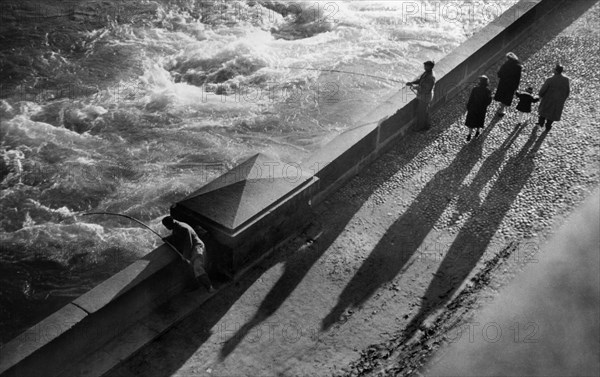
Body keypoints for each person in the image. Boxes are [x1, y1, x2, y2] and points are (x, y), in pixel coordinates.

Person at [162, 216, 214, 292]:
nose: (167, 228)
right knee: (192, 270)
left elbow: (188, 243)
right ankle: (196, 285)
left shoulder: (183, 228)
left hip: (197, 248)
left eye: (167, 226)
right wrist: (167, 239)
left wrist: (185, 256)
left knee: (198, 268)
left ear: (171, 224)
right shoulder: (177, 226)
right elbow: (176, 236)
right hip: (192, 249)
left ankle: (210, 287)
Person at [537, 64, 570, 131]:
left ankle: (541, 123)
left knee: (543, 112)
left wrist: (540, 95)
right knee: (553, 113)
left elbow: (543, 89)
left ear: (556, 71)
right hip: (558, 101)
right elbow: (567, 91)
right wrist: (563, 99)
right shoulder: (566, 80)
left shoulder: (550, 79)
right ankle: (548, 126)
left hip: (548, 99)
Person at [406, 60, 436, 131]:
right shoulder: (427, 72)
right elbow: (420, 80)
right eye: (424, 66)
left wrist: (414, 87)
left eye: (426, 66)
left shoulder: (431, 77)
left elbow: (426, 89)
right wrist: (412, 82)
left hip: (425, 97)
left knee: (421, 113)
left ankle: (420, 127)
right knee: (425, 111)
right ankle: (427, 125)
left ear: (430, 67)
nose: (424, 67)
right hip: (424, 96)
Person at [494, 52, 522, 117]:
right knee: (507, 97)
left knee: (502, 95)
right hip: (511, 85)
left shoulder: (505, 65)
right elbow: (518, 78)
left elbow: (499, 74)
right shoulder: (518, 67)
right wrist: (516, 87)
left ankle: (501, 109)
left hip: (503, 83)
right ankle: (501, 110)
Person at [465, 75, 493, 141]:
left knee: (471, 121)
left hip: (473, 107)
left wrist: (468, 106)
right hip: (481, 108)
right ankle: (477, 131)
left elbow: (471, 98)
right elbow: (489, 100)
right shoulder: (488, 91)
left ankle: (469, 134)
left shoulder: (475, 89)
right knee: (479, 120)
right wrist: (485, 105)